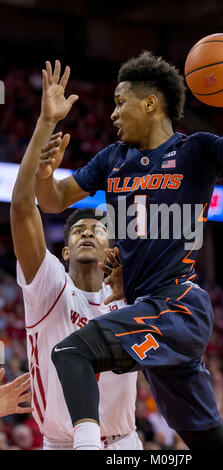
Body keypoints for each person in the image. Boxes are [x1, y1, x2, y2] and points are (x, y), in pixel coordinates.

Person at [34, 32, 223, 450]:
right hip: (147, 306)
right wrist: (43, 170)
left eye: (120, 102)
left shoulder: (196, 151)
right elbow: (53, 200)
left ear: (150, 103)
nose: (112, 114)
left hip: (178, 306)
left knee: (70, 353)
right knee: (208, 442)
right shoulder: (113, 159)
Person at [10, 130, 143, 450]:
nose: (87, 234)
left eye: (97, 231)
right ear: (65, 251)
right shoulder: (50, 284)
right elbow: (22, 209)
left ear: (110, 248)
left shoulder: (130, 297)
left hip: (123, 441)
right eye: (78, 231)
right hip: (62, 443)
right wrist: (44, 124)